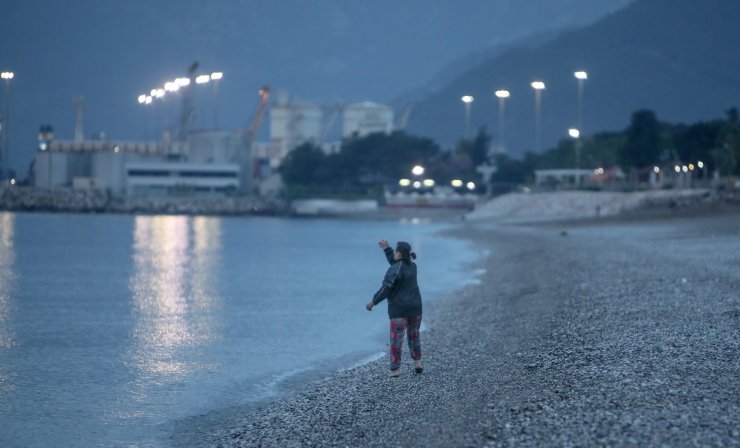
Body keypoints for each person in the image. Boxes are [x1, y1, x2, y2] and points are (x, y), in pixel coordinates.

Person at [366, 240, 423, 377]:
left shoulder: (395, 269)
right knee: (414, 335)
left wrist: (373, 302)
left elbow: (386, 288)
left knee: (396, 339)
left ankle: (395, 370)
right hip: (415, 308)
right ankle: (418, 364)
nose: (395, 253)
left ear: (399, 253)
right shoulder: (413, 266)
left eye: (396, 251)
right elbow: (397, 265)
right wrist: (387, 250)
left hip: (399, 309)